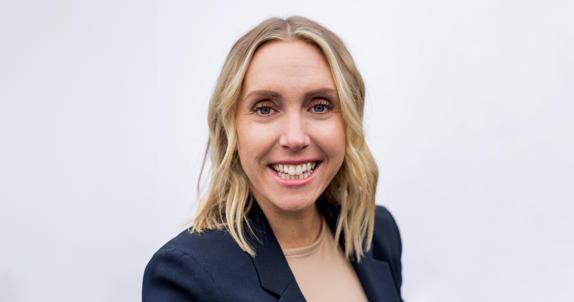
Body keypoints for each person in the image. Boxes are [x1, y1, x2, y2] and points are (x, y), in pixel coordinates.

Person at [143, 16, 403, 302]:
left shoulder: (377, 232)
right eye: (265, 109)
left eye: (319, 106)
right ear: (231, 130)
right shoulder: (185, 274)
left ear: (349, 123)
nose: (294, 138)